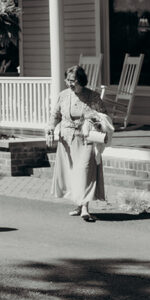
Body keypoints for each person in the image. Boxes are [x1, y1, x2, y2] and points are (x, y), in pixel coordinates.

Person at [46, 64, 114, 223]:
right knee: (73, 174)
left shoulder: (93, 97)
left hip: (86, 139)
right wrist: (50, 130)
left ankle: (85, 208)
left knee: (85, 172)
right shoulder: (63, 96)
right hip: (67, 140)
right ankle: (79, 205)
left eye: (73, 81)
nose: (70, 84)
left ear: (81, 81)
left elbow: (104, 117)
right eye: (68, 80)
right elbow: (55, 115)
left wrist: (94, 120)